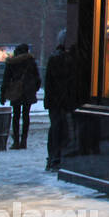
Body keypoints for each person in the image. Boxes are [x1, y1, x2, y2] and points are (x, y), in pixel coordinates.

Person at [44, 32, 76, 170]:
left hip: (55, 101)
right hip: (64, 101)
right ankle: (57, 157)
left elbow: (49, 83)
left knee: (55, 129)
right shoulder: (70, 60)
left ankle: (53, 157)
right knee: (63, 129)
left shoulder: (54, 59)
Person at [0, 43, 41, 150]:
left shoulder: (12, 63)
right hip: (28, 91)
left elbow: (6, 79)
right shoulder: (31, 62)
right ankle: (24, 141)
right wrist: (34, 88)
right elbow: (38, 78)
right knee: (26, 115)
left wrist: (3, 95)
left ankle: (16, 141)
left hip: (16, 92)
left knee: (16, 116)